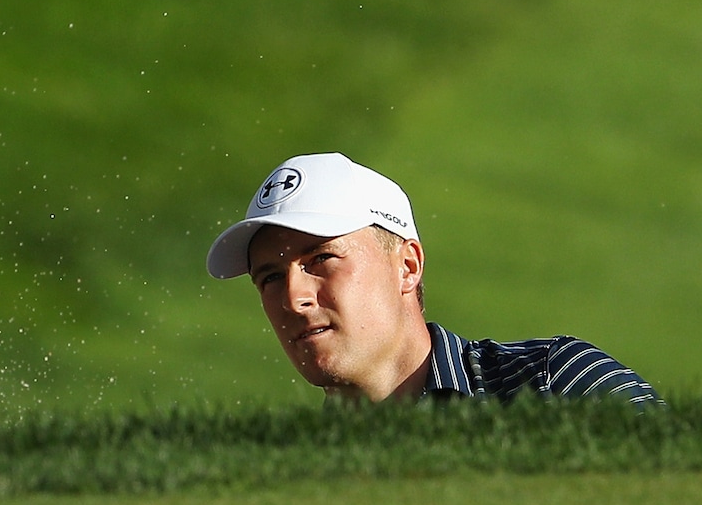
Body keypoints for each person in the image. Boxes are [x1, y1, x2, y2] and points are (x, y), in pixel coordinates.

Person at [206, 152, 658, 404]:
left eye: (321, 259)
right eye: (268, 278)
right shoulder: (291, 478)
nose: (293, 297)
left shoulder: (551, 383)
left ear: (407, 266)